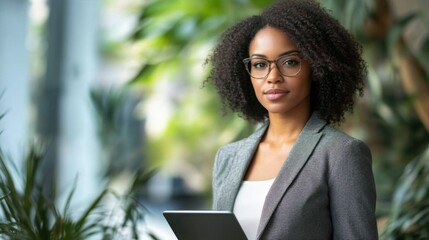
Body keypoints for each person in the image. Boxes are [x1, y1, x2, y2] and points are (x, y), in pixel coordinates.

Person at [205, 0, 378, 239]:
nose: (273, 77)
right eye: (259, 64)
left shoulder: (341, 154)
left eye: (290, 62)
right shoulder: (228, 157)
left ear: (316, 67)